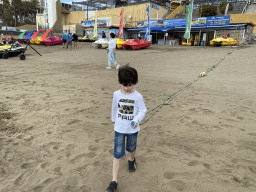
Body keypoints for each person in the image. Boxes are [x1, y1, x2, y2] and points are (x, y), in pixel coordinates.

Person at [105, 64, 147, 192]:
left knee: (131, 148)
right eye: (125, 85)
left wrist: (136, 120)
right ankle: (114, 181)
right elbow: (114, 108)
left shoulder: (137, 96)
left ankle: (131, 159)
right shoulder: (116, 94)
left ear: (133, 82)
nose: (127, 87)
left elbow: (143, 110)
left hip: (132, 130)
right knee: (117, 153)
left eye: (130, 85)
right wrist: (113, 119)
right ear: (120, 82)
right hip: (119, 129)